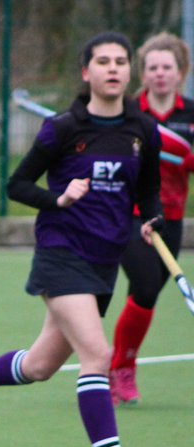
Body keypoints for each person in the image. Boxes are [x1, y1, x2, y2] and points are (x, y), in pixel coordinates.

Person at [0, 31, 167, 447]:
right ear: (86, 72)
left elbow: (148, 190)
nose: (114, 68)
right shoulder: (63, 129)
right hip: (61, 254)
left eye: (121, 61)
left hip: (104, 260)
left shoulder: (142, 130)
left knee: (40, 365)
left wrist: (150, 218)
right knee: (97, 355)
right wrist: (58, 197)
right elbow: (16, 184)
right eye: (103, 61)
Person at [110, 32, 194, 405]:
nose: (160, 74)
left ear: (181, 73)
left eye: (167, 67)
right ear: (143, 73)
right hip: (129, 215)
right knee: (144, 286)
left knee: (143, 298)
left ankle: (115, 364)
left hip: (170, 218)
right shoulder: (128, 113)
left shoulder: (190, 115)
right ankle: (121, 370)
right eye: (152, 67)